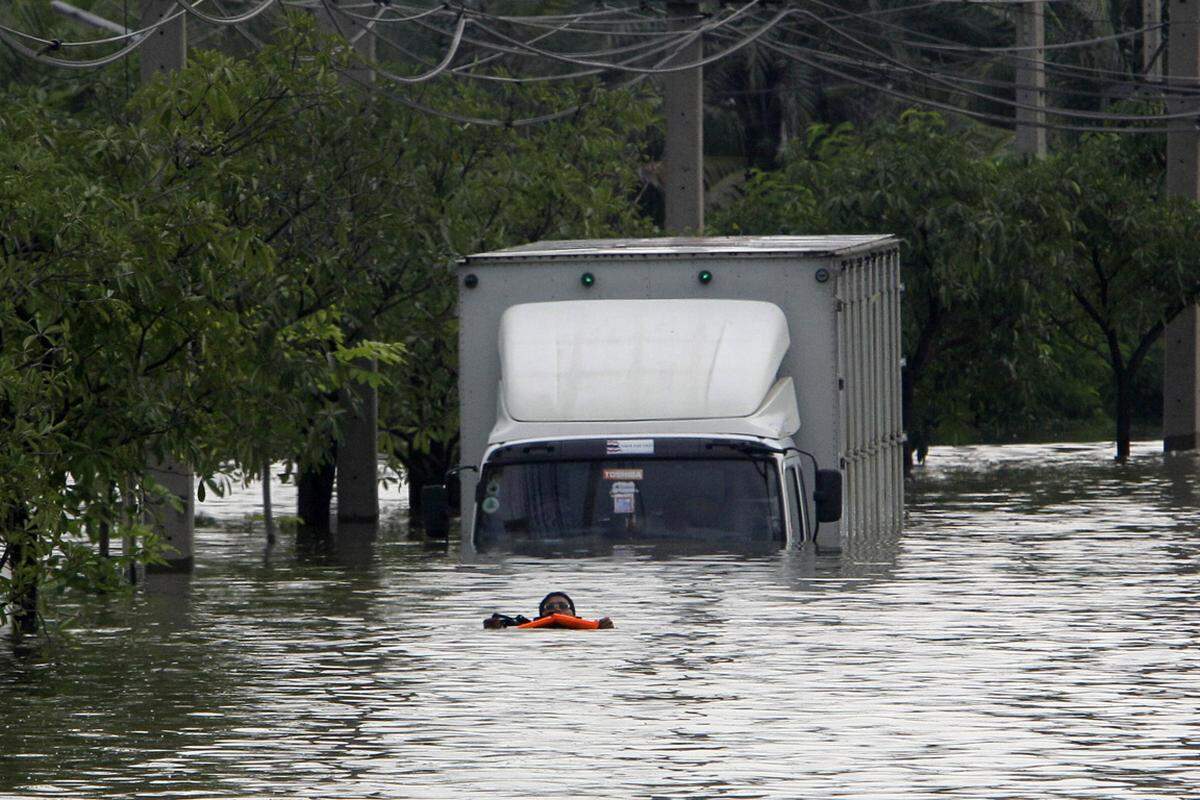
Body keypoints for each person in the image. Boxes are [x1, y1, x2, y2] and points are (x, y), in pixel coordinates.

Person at [483, 591, 614, 629]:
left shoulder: (590, 629)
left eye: (563, 606)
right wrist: (494, 626)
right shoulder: (525, 627)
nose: (556, 609)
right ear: (541, 615)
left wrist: (606, 628)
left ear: (573, 614)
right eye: (550, 607)